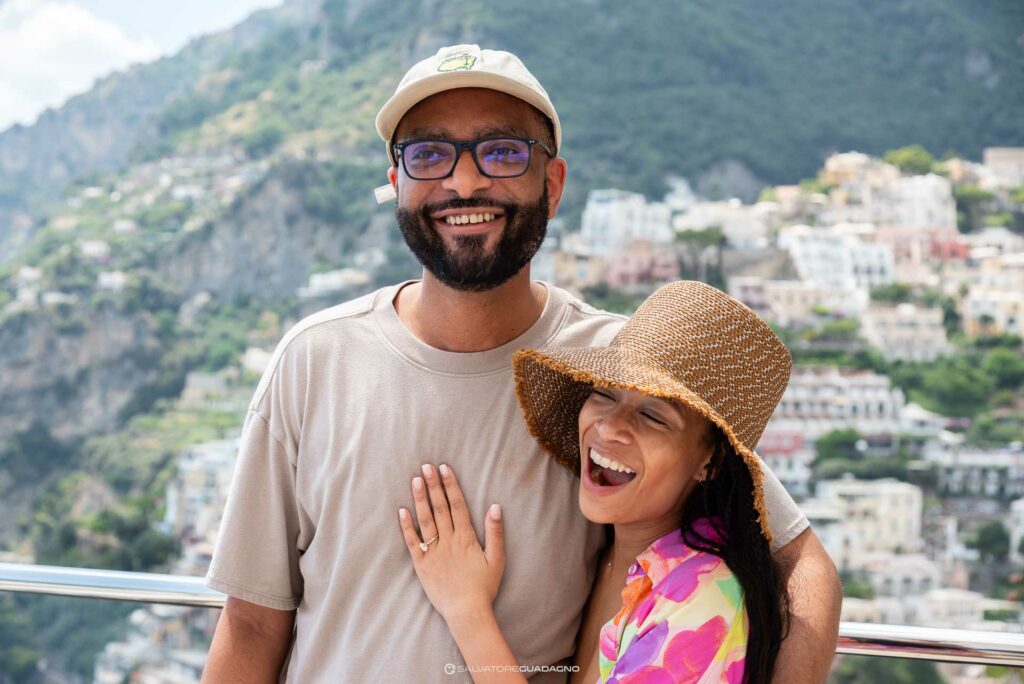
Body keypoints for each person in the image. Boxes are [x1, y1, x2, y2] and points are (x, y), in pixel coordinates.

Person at [201, 44, 840, 683]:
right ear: (397, 184)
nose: (465, 181)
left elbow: (801, 563)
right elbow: (254, 622)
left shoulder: (622, 374)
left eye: (502, 151)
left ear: (553, 184)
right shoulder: (315, 360)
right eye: (428, 154)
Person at [399, 280, 792, 683]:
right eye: (605, 394)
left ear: (710, 464)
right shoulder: (610, 557)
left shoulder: (699, 598)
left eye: (654, 417)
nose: (610, 427)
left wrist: (468, 611)